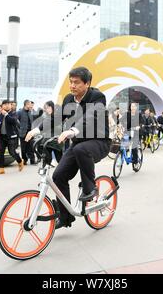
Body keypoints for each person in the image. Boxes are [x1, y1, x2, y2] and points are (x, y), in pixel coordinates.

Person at [51, 67, 111, 229]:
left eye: (76, 82)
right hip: (78, 144)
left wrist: (72, 131)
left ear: (87, 83)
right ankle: (66, 217)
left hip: (99, 142)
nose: (72, 86)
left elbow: (90, 117)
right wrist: (36, 130)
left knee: (81, 149)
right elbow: (56, 118)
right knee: (58, 176)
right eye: (71, 82)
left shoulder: (97, 97)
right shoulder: (69, 99)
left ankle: (90, 189)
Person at [26, 101, 64, 166]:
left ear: (52, 107)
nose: (47, 109)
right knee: (46, 161)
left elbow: (60, 128)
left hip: (56, 141)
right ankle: (45, 171)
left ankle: (63, 173)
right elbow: (41, 127)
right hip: (46, 141)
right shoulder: (45, 116)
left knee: (60, 161)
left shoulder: (57, 116)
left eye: (48, 107)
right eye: (45, 108)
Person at [0, 100, 24, 175]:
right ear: (2, 106)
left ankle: (20, 161)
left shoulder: (14, 113)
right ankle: (1, 169)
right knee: (1, 152)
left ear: (11, 105)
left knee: (12, 152)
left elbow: (13, 121)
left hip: (11, 136)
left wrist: (6, 115)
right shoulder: (0, 114)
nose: (7, 105)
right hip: (1, 136)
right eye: (5, 104)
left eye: (8, 104)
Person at [17, 100, 36, 165]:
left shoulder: (31, 112)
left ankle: (32, 160)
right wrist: (19, 129)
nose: (31, 105)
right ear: (26, 104)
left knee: (31, 147)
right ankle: (24, 160)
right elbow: (16, 121)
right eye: (30, 104)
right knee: (23, 148)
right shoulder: (19, 112)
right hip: (22, 133)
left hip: (30, 132)